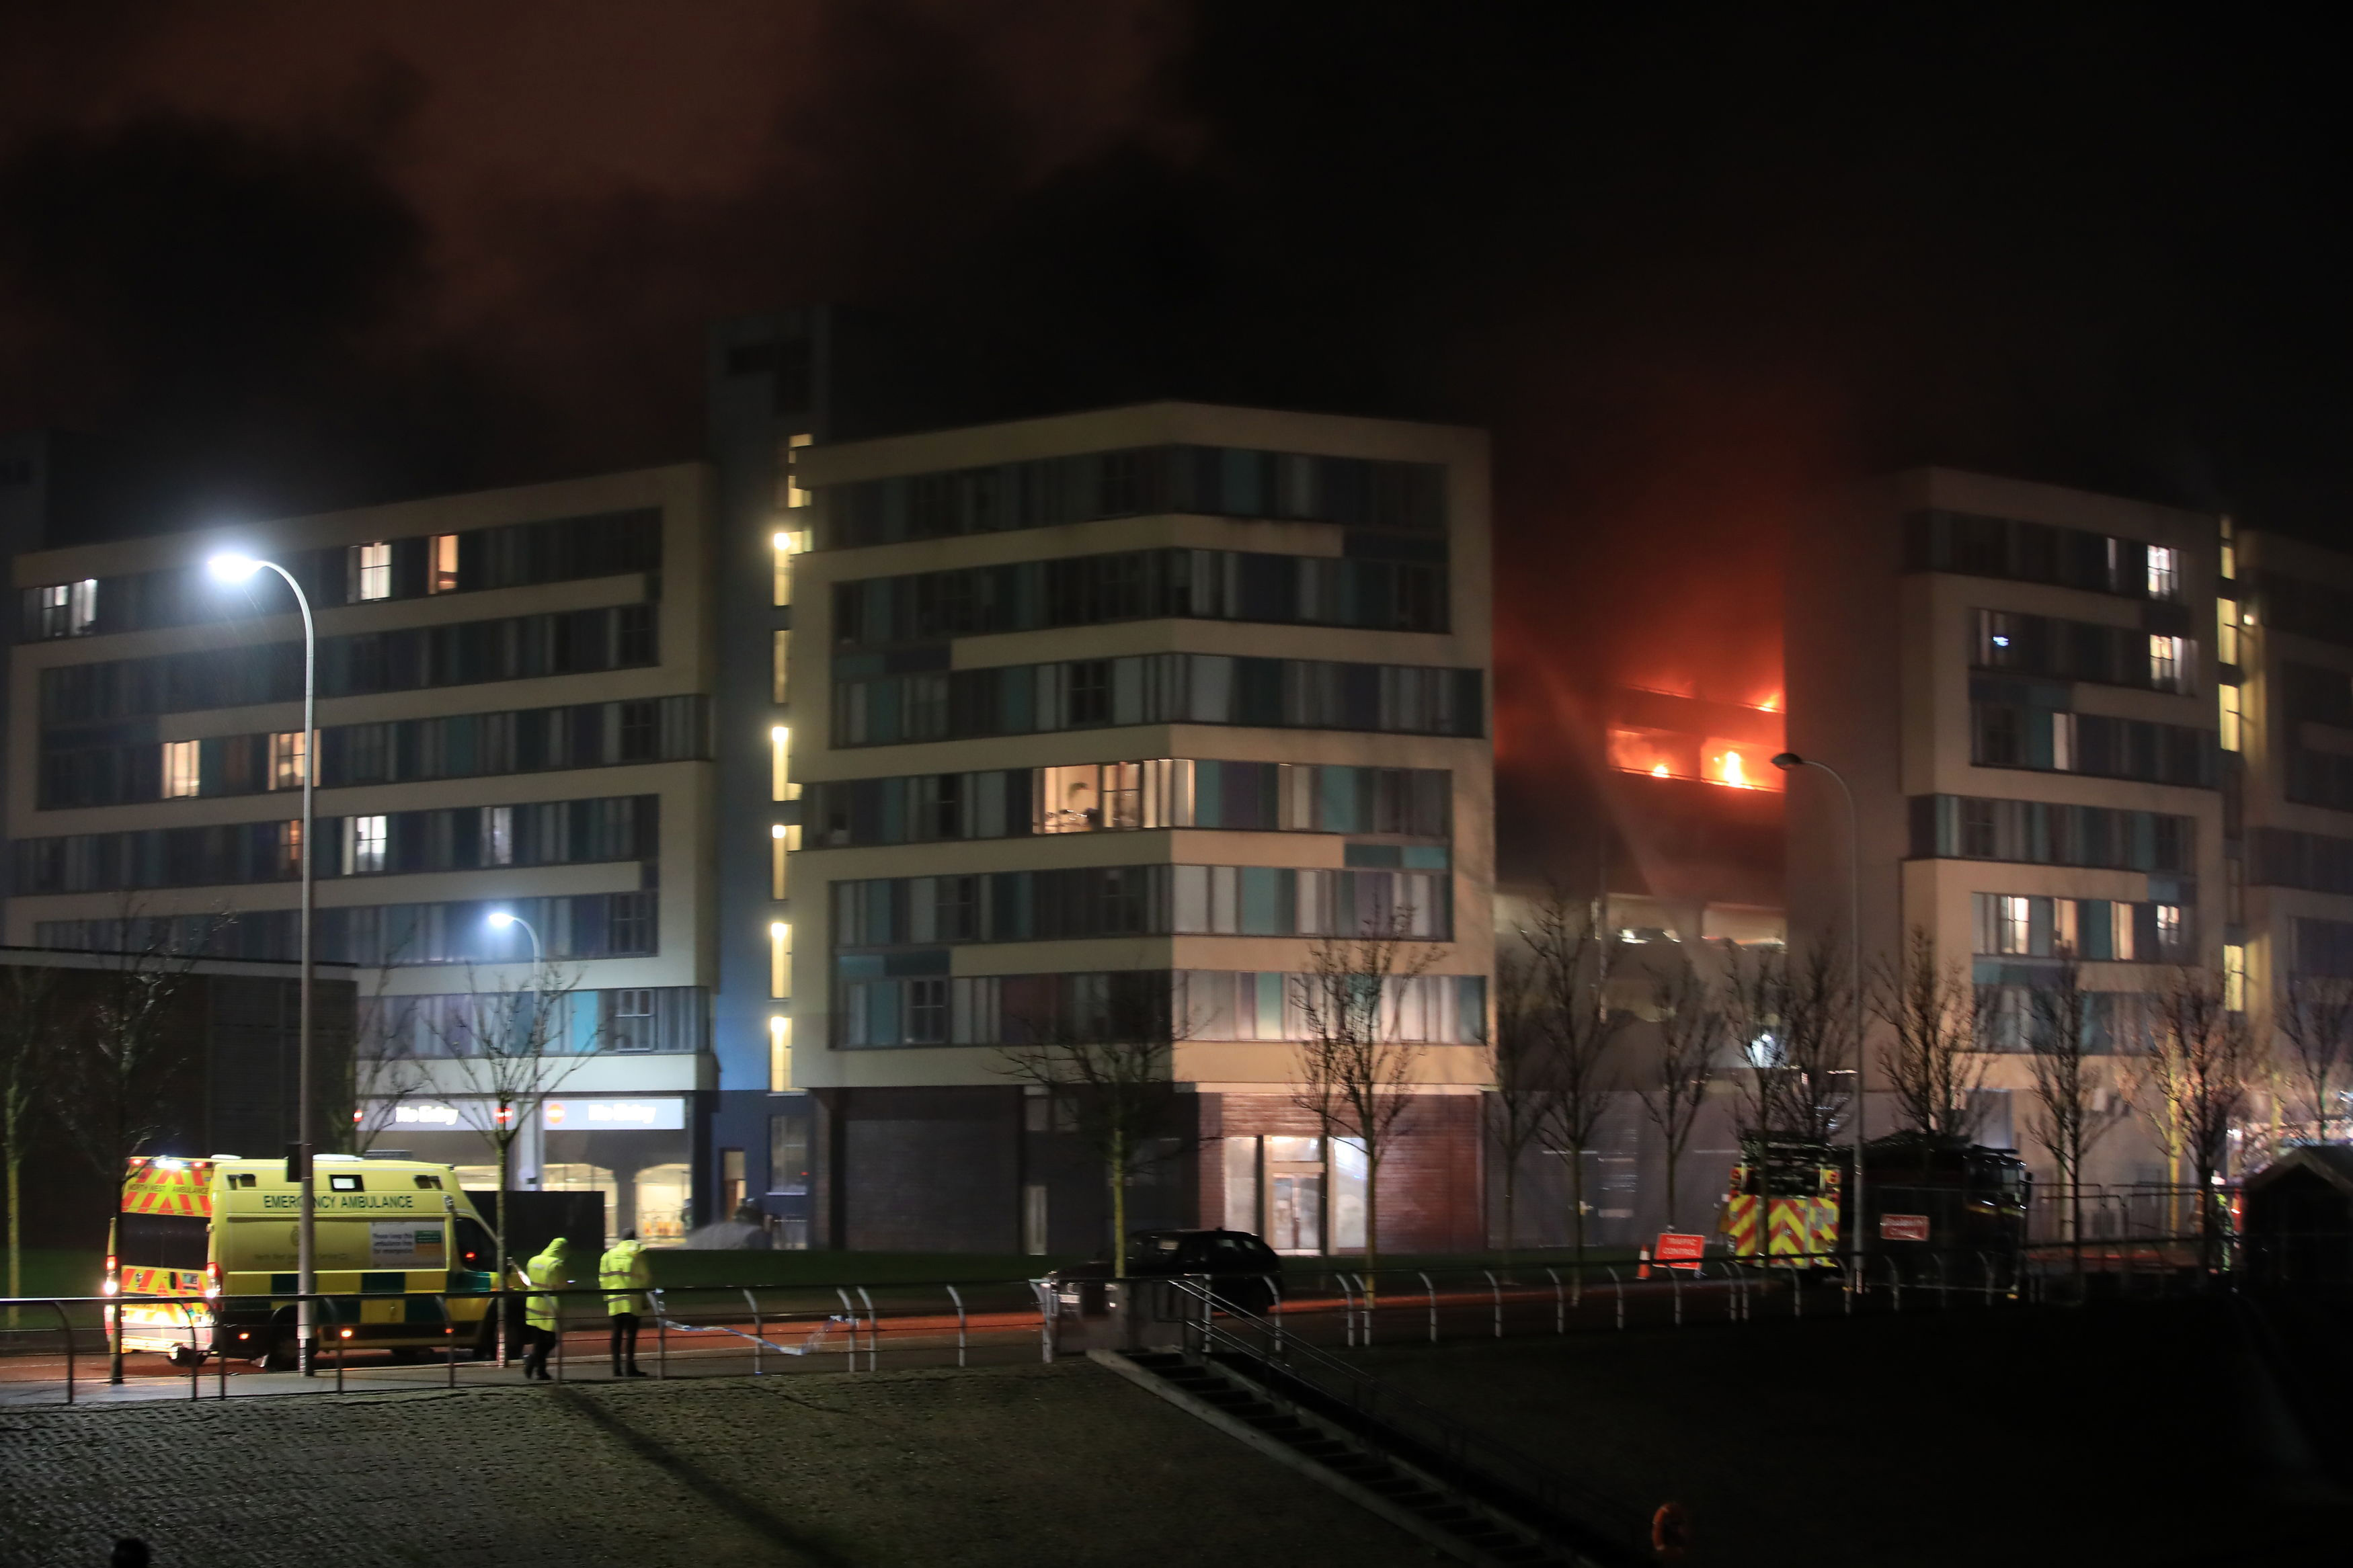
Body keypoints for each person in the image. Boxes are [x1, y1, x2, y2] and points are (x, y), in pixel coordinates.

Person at [600, 1227, 653, 1377]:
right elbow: (644, 1279)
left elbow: (603, 1278)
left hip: (615, 1301)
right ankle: (630, 1367)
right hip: (633, 1301)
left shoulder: (608, 1255)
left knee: (616, 1334)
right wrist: (645, 1300)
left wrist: (607, 1297)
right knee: (631, 1335)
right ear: (635, 1238)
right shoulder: (637, 1255)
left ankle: (616, 1368)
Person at [520, 1235, 571, 1381]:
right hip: (548, 1308)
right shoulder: (556, 1265)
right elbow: (561, 1286)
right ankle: (532, 1360)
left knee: (538, 1340)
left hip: (533, 1305)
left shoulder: (534, 1260)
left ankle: (541, 1371)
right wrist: (568, 1285)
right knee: (551, 1341)